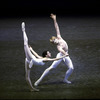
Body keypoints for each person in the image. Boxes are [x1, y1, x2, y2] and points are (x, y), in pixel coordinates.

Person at [21, 22, 68, 92]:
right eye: (49, 53)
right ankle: (23, 30)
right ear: (46, 55)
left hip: (28, 60)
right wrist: (64, 56)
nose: (50, 53)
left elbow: (37, 55)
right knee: (25, 44)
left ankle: (31, 88)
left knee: (27, 76)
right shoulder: (46, 59)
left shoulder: (42, 58)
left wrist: (31, 49)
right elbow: (55, 59)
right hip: (31, 59)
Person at [34, 14, 74, 86]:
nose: (55, 41)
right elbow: (62, 51)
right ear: (54, 43)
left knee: (71, 68)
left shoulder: (59, 37)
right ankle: (39, 80)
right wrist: (65, 54)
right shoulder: (58, 47)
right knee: (51, 68)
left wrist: (54, 19)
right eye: (54, 42)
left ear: (56, 38)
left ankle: (65, 79)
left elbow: (56, 27)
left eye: (54, 40)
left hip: (66, 55)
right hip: (61, 55)